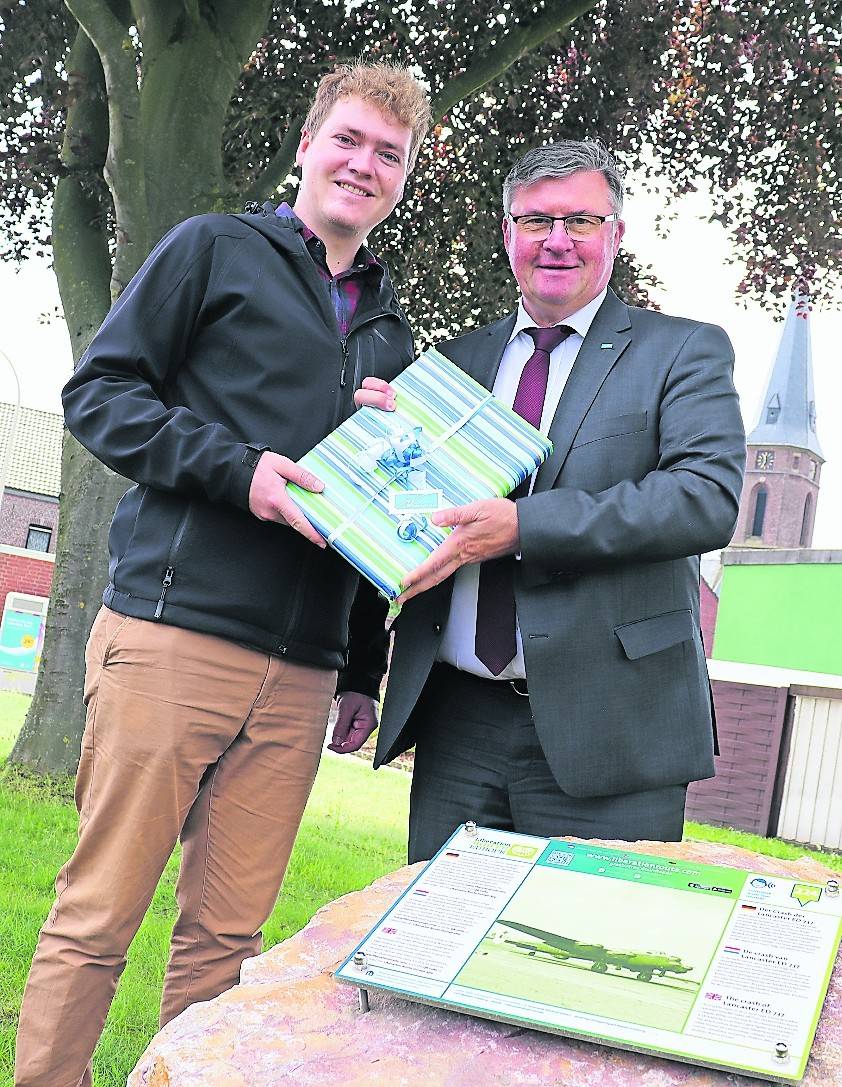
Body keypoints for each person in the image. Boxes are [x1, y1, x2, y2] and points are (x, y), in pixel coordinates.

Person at [15, 62, 431, 1087]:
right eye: (348, 140)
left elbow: (376, 515)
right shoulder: (212, 249)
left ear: (403, 179)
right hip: (172, 633)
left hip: (296, 675)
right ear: (305, 145)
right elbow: (100, 395)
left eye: (389, 154)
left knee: (225, 940)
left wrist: (357, 669)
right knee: (99, 913)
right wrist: (238, 472)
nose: (363, 165)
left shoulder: (390, 334)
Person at [353, 140, 745, 863]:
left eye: (581, 221)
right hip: (457, 724)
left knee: (585, 962)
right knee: (436, 952)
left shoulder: (683, 351)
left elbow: (705, 498)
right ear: (508, 235)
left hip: (614, 725)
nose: (557, 241)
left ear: (616, 235)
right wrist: (369, 445)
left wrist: (524, 526)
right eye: (536, 222)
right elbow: (397, 522)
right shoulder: (450, 367)